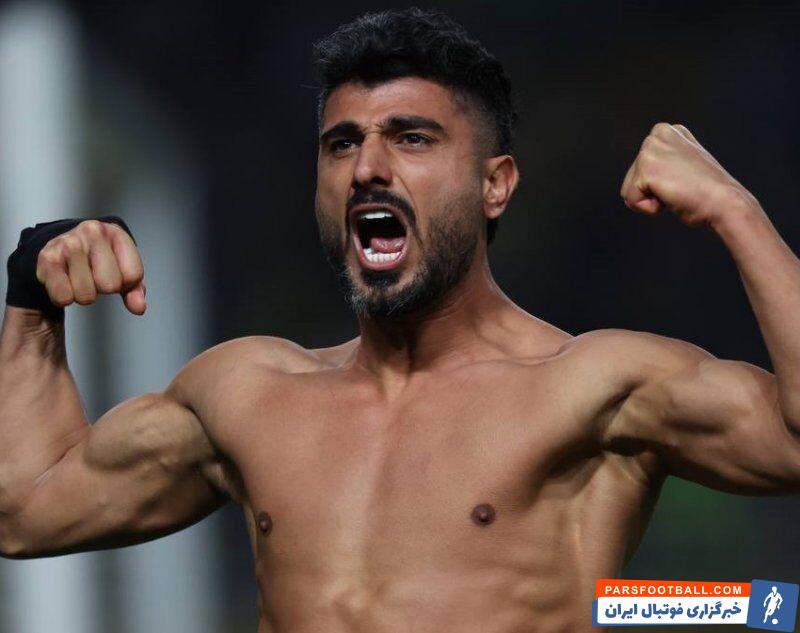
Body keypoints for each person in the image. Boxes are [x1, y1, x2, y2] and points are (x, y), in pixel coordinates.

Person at [1, 7, 798, 633]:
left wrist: (737, 211)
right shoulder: (247, 393)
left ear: (495, 185)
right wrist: (32, 295)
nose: (368, 168)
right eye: (342, 144)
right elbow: (26, 510)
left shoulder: (592, 386)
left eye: (412, 138)